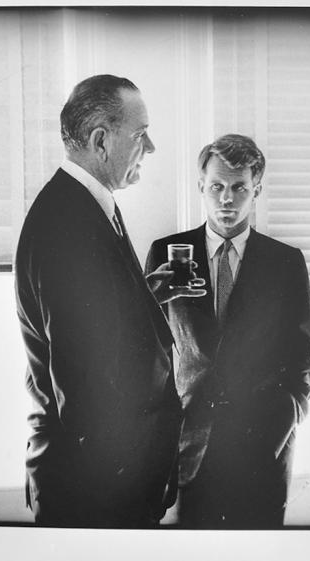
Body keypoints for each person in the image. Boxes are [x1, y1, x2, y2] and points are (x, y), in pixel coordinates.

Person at [15, 74, 204, 528]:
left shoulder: (89, 206)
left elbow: (96, 323)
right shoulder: (67, 224)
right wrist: (128, 486)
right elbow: (82, 383)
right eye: (141, 135)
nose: (150, 147)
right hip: (98, 494)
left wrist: (145, 294)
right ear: (101, 141)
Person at [145, 134, 310, 528]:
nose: (227, 199)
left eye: (239, 187)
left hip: (264, 448)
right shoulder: (168, 254)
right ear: (201, 187)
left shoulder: (285, 263)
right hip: (185, 448)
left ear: (256, 189)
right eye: (217, 187)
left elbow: (304, 360)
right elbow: (146, 351)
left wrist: (281, 422)